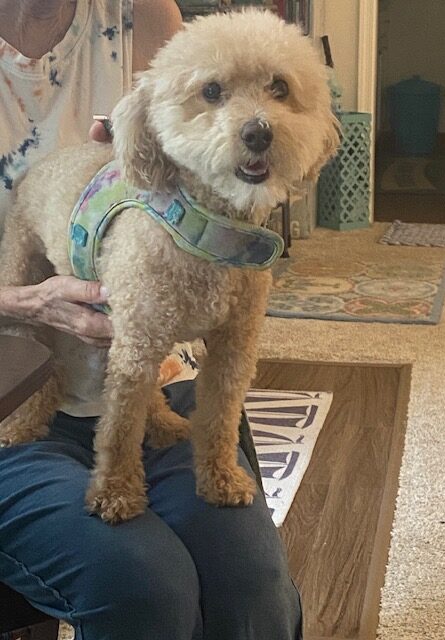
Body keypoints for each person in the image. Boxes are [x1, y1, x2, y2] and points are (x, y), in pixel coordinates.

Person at [0, 2, 303, 639]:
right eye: (219, 92)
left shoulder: (137, 13)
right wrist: (20, 303)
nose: (256, 116)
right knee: (143, 584)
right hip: (11, 400)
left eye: (276, 89)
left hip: (163, 395)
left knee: (253, 587)